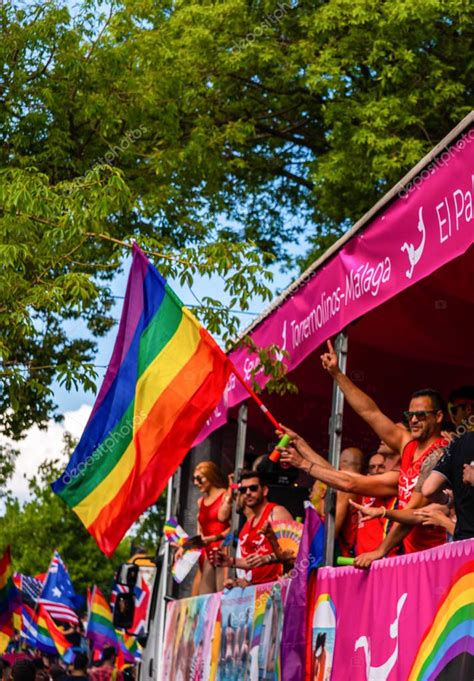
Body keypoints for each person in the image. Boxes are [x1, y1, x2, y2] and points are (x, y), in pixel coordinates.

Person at [213, 471, 293, 585]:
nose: (248, 493)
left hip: (278, 587)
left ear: (265, 491)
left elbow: (294, 551)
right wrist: (230, 561)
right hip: (257, 591)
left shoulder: (276, 512)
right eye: (243, 490)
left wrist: (267, 558)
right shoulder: (247, 526)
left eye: (253, 488)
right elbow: (252, 562)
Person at [180, 461, 231, 594]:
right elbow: (200, 535)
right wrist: (184, 547)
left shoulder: (225, 495)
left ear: (210, 475)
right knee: (203, 599)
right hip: (206, 553)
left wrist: (216, 537)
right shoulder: (200, 502)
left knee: (222, 594)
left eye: (199, 478)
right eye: (194, 479)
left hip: (223, 550)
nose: (196, 483)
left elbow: (233, 527)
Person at [421, 431, 474, 540]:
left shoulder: (460, 442)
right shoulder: (459, 442)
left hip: (464, 544)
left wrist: (447, 500)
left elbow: (429, 490)